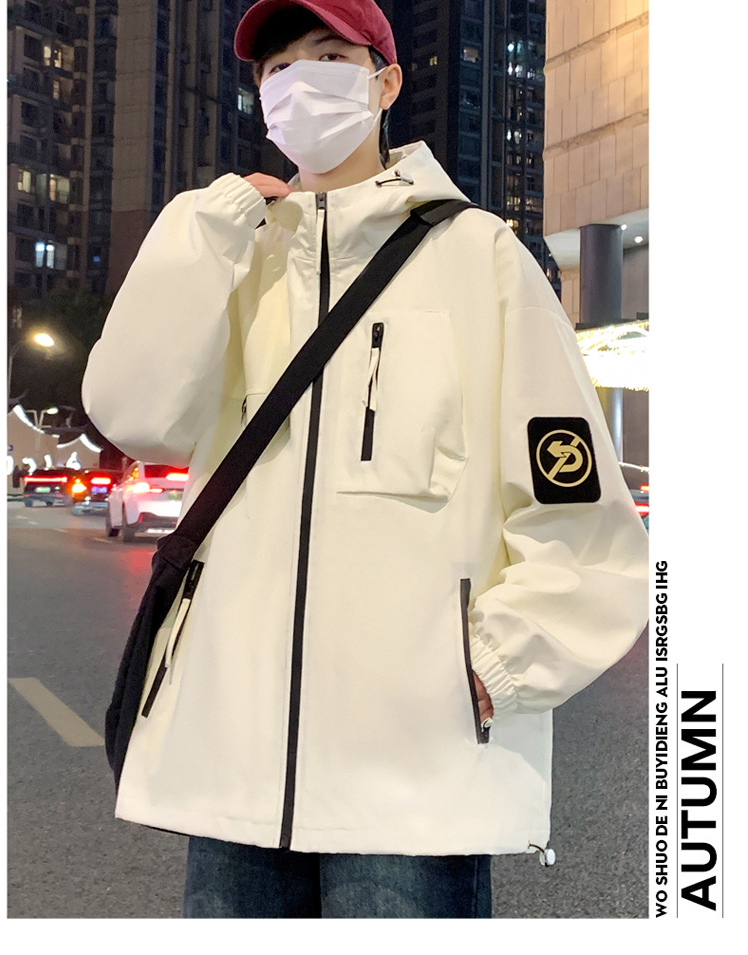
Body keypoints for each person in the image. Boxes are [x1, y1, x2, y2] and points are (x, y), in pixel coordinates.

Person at [82, 0, 648, 919]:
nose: (298, 82)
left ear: (385, 84)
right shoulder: (235, 255)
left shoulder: (480, 257)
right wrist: (207, 230)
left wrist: (494, 666)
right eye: (275, 68)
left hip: (412, 776)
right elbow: (133, 416)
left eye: (328, 55)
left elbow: (577, 513)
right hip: (233, 763)